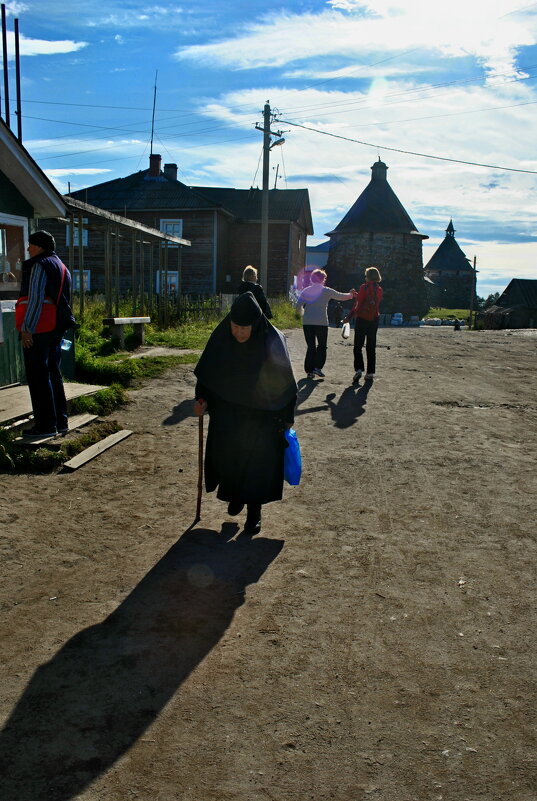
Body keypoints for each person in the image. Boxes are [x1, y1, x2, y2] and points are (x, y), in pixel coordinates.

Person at [193, 292, 297, 535]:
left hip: (262, 415)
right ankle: (235, 496)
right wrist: (201, 400)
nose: (239, 332)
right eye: (235, 326)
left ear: (256, 324)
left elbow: (286, 385)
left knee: (257, 465)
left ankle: (254, 512)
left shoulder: (272, 341)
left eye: (244, 328)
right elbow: (207, 374)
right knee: (230, 458)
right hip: (229, 413)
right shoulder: (221, 338)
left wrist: (286, 418)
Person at [17, 230, 75, 438]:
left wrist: (26, 328)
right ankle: (61, 421)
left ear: (39, 246)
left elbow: (35, 299)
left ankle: (45, 425)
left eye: (30, 244)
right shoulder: (62, 267)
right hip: (56, 327)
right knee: (53, 373)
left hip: (40, 327)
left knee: (38, 375)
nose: (28, 248)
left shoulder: (39, 264)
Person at [294, 269, 354, 379]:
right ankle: (318, 368)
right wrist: (351, 294)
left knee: (311, 347)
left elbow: (298, 306)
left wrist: (303, 315)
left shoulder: (306, 291)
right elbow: (341, 296)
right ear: (323, 279)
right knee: (322, 346)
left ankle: (309, 371)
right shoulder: (326, 290)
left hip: (307, 323)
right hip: (321, 322)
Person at [343, 266, 383, 382]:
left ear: (368, 276)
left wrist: (348, 318)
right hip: (374, 319)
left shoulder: (363, 287)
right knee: (371, 346)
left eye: (366, 275)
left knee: (358, 346)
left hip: (362, 319)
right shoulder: (379, 289)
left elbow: (358, 305)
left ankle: (359, 369)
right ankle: (370, 373)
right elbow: (371, 302)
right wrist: (358, 295)